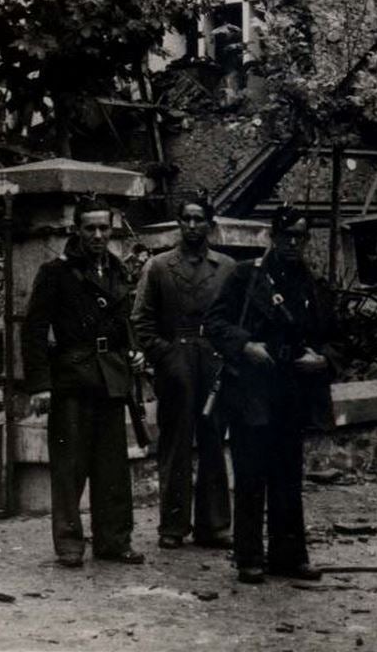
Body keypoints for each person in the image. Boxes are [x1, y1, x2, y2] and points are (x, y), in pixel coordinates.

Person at [204, 205, 338, 584]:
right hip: (253, 389)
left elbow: (338, 337)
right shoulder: (246, 278)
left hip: (294, 390)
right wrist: (245, 346)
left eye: (300, 236)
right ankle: (248, 557)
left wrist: (323, 360)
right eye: (286, 235)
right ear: (272, 237)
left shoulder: (314, 285)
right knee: (250, 476)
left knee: (288, 478)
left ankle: (290, 556)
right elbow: (214, 323)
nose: (292, 242)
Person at [22, 196, 146, 568]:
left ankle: (113, 541)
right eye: (89, 228)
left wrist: (134, 351)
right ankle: (70, 544)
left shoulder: (118, 270)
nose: (97, 235)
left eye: (103, 228)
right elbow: (34, 330)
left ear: (112, 230)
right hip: (72, 378)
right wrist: (40, 385)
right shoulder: (55, 272)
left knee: (112, 467)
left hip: (111, 377)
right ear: (77, 229)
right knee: (70, 465)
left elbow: (125, 321)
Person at [130, 196, 235, 550]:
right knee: (175, 445)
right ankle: (172, 526)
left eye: (199, 220)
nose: (192, 226)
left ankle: (214, 525)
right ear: (179, 223)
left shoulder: (227, 268)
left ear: (210, 224)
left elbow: (238, 319)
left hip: (214, 360)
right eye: (186, 219)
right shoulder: (159, 267)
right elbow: (141, 320)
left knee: (213, 441)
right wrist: (165, 355)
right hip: (176, 362)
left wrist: (227, 355)